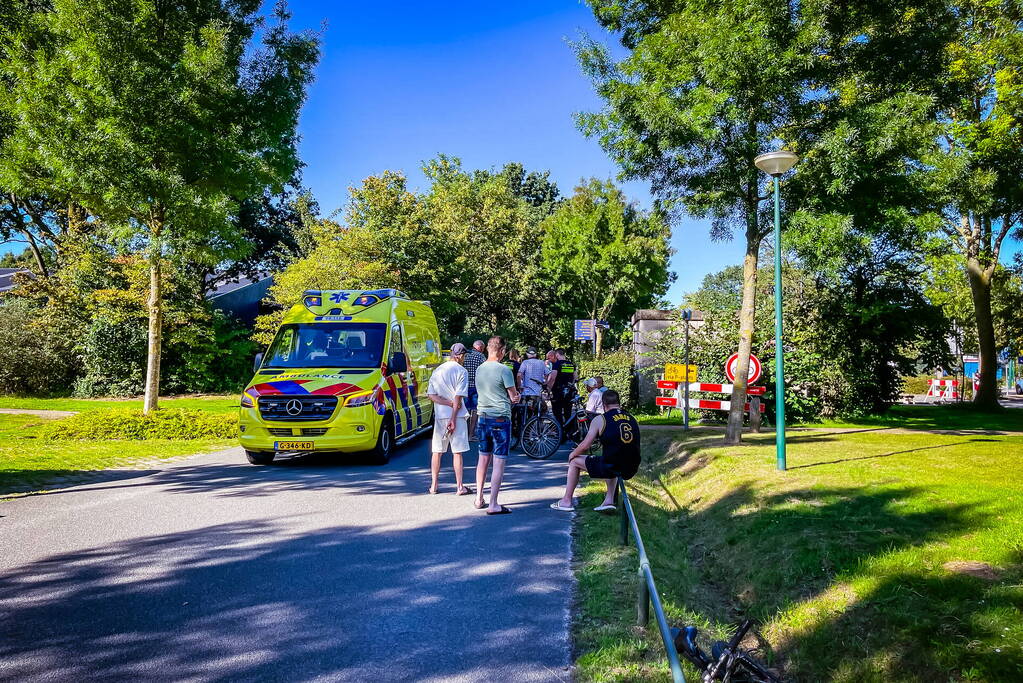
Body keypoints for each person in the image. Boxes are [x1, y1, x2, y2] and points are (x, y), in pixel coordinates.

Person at [550, 389, 640, 513]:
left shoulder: (600, 420)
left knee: (575, 462)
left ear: (604, 405)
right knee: (612, 457)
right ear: (619, 403)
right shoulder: (632, 419)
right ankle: (609, 501)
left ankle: (566, 501)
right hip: (631, 467)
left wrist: (573, 454)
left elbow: (585, 446)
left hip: (611, 466)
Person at [473, 336, 520, 515]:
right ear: (501, 351)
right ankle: (493, 503)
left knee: (482, 458)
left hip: (482, 417)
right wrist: (517, 398)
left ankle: (478, 498)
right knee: (498, 462)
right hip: (500, 419)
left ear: (488, 349)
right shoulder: (504, 370)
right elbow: (513, 396)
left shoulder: (479, 369)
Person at [426, 342, 473, 496]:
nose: (464, 358)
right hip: (456, 416)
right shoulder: (462, 371)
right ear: (459, 356)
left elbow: (431, 396)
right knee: (457, 452)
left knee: (437, 451)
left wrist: (446, 403)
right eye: (464, 355)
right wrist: (453, 415)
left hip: (440, 415)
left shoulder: (438, 370)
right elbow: (458, 398)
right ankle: (460, 487)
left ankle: (434, 485)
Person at [547, 348, 577, 436]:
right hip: (569, 392)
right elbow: (576, 377)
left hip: (558, 392)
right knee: (568, 412)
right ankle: (569, 432)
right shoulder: (571, 364)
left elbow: (552, 378)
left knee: (557, 412)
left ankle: (559, 432)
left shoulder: (557, 364)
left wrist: (548, 389)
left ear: (557, 355)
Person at [463, 340, 487, 439]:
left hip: (464, 386)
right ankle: (471, 434)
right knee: (474, 411)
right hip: (476, 386)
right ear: (480, 348)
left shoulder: (466, 355)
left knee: (465, 411)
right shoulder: (481, 357)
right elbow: (486, 371)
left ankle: (463, 433)